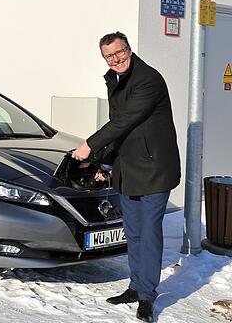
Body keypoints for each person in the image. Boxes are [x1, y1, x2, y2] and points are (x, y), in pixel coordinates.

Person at [72, 31, 180, 323]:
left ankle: (147, 297)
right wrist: (105, 161)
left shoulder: (148, 79)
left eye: (120, 52)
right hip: (128, 168)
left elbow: (124, 120)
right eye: (109, 56)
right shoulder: (115, 79)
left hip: (155, 168)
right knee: (132, 232)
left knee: (149, 232)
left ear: (129, 49)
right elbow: (121, 129)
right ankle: (136, 286)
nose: (116, 59)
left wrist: (89, 146)